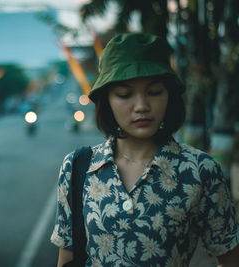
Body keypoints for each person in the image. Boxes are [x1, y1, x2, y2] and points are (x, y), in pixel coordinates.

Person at [51, 33, 239, 266]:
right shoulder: (79, 167)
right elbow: (66, 258)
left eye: (154, 92)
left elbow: (230, 257)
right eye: (124, 94)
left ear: (169, 95)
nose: (141, 106)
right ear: (107, 100)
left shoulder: (200, 170)